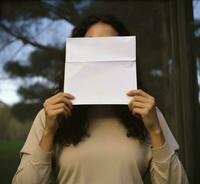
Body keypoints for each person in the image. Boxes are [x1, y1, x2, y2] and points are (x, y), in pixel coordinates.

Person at [12, 14, 189, 184]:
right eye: (91, 46)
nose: (100, 54)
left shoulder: (149, 114)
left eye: (110, 45)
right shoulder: (50, 115)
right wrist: (49, 132)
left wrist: (155, 131)